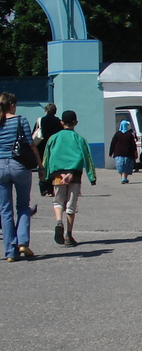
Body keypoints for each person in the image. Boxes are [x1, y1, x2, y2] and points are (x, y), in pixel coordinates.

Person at [40, 109, 96, 249]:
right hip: (74, 175)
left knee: (58, 201)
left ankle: (59, 221)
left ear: (61, 122)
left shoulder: (53, 138)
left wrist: (46, 175)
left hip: (57, 175)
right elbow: (86, 157)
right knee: (71, 204)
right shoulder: (79, 139)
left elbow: (47, 157)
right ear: (75, 123)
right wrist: (91, 176)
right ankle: (68, 234)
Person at [1, 92, 39, 262]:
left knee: (5, 210)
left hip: (0, 167)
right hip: (19, 166)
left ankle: (10, 251)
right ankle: (22, 241)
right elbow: (31, 145)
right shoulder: (20, 120)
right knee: (23, 205)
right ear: (11, 105)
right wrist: (40, 165)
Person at [32, 103, 62, 196]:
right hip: (54, 148)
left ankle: (43, 188)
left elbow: (34, 133)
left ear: (46, 110)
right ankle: (51, 189)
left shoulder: (41, 120)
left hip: (41, 148)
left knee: (42, 168)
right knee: (52, 168)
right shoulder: (59, 122)